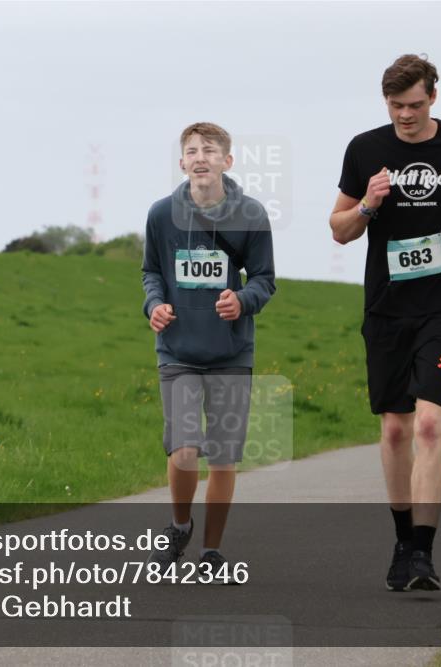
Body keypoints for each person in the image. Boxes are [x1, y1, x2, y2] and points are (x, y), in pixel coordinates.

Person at [329, 55, 441, 591]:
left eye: (414, 105)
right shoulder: (365, 149)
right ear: (384, 102)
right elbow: (339, 230)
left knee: (430, 422)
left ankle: (425, 556)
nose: (405, 116)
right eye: (395, 106)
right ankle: (403, 540)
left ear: (434, 96)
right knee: (394, 428)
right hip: (387, 308)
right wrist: (367, 204)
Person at [141, 122, 275, 581]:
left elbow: (264, 279)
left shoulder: (251, 214)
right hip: (177, 349)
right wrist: (154, 304)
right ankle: (180, 526)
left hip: (231, 353)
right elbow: (151, 272)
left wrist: (242, 300)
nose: (201, 157)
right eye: (192, 150)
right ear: (182, 162)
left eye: (211, 150)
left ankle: (212, 551)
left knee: (222, 457)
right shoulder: (161, 215)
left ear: (227, 161)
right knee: (183, 452)